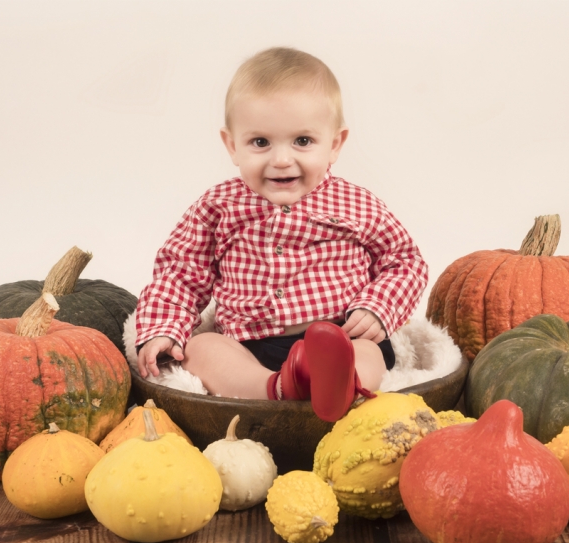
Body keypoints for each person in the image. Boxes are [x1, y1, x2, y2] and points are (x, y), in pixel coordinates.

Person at [135, 47, 428, 422]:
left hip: (341, 336)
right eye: (260, 142)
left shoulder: (356, 204)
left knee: (369, 353)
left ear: (335, 144)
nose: (282, 160)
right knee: (202, 348)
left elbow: (404, 261)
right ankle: (274, 388)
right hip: (251, 346)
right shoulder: (218, 206)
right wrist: (164, 328)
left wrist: (377, 308)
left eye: (302, 141)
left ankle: (341, 385)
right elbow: (181, 272)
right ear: (232, 146)